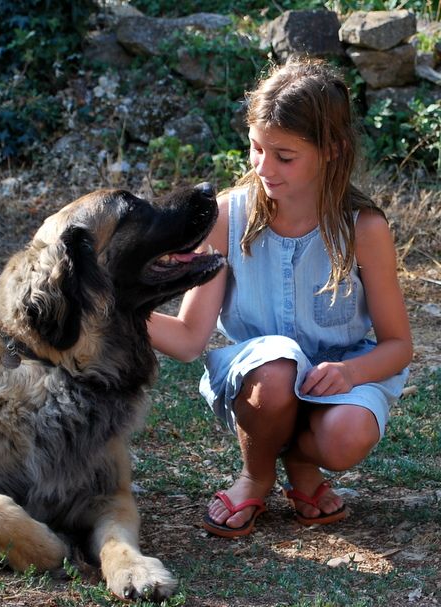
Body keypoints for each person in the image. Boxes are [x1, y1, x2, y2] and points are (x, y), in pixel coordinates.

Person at [148, 57, 412, 538]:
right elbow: (189, 339)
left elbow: (399, 345)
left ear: (331, 149)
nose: (263, 168)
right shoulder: (228, 216)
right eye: (255, 148)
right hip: (258, 389)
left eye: (284, 156)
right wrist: (110, 306)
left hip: (336, 383)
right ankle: (256, 473)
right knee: (277, 368)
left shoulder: (365, 229)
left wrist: (351, 372)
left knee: (347, 436)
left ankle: (300, 460)